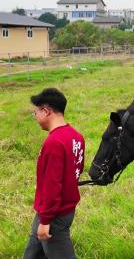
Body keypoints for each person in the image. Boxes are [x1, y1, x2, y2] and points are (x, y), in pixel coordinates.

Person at [24, 88, 85, 259]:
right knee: (32, 254)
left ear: (46, 111)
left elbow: (52, 185)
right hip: (56, 210)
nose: (35, 117)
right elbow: (77, 170)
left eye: (35, 113)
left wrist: (45, 221)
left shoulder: (54, 142)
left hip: (54, 214)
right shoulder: (76, 136)